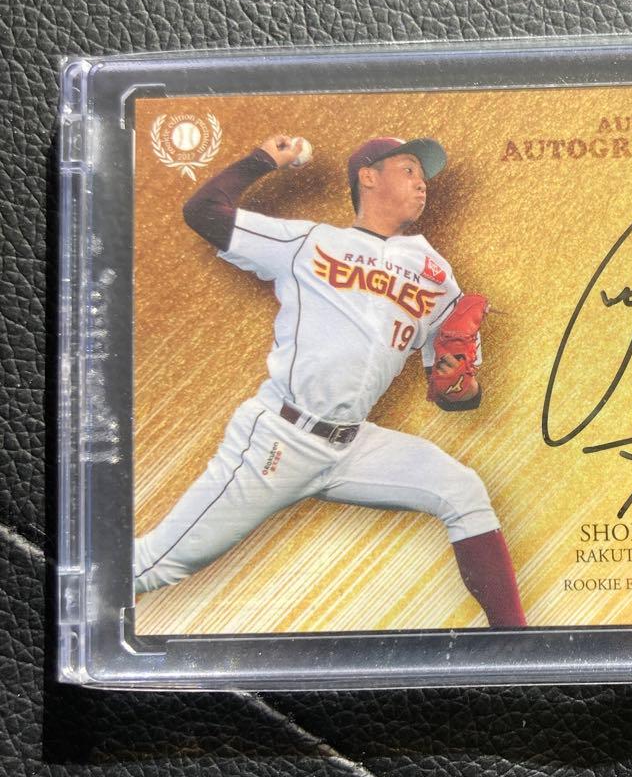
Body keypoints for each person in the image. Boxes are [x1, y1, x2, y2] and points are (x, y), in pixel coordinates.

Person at [132, 133, 527, 628]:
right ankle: (80, 596)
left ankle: (515, 640)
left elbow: (452, 391)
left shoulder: (437, 276)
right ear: (368, 176)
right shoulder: (310, 242)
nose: (422, 183)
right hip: (280, 438)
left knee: (463, 492)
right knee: (154, 565)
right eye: (408, 169)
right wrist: (263, 159)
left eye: (423, 175)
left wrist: (462, 389)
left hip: (352, 446)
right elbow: (204, 212)